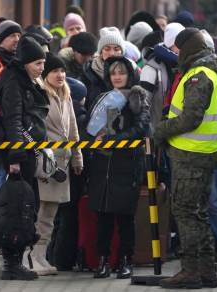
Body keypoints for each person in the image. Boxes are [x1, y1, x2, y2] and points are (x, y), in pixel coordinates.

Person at [154, 28, 217, 289]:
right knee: (199, 214)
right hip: (204, 154)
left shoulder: (199, 75)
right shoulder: (212, 70)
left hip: (191, 155)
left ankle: (190, 272)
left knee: (185, 212)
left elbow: (190, 118)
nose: (174, 53)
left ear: (189, 48)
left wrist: (161, 130)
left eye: (177, 49)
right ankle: (207, 272)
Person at [87, 55, 149, 279]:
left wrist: (116, 140)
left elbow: (142, 127)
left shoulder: (137, 97)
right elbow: (90, 126)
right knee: (102, 216)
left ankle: (126, 260)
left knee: (124, 218)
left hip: (127, 163)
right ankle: (102, 261)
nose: (117, 77)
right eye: (113, 73)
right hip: (102, 164)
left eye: (121, 72)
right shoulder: (103, 98)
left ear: (130, 74)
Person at [0, 36, 49, 280]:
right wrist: (16, 156)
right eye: (38, 63)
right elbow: (13, 119)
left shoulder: (27, 80)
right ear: (26, 62)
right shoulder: (13, 81)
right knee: (16, 210)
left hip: (28, 152)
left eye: (43, 63)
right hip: (18, 155)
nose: (42, 68)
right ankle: (12, 263)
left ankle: (16, 260)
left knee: (26, 208)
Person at [29, 53, 83, 276]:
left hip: (63, 162)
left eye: (62, 71)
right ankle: (31, 256)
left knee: (51, 214)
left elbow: (73, 131)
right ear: (45, 74)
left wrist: (77, 157)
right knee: (40, 211)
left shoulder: (66, 95)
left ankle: (41, 256)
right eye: (54, 71)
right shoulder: (40, 95)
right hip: (45, 162)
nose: (60, 75)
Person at [82, 26, 127, 110]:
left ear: (122, 52)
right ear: (101, 52)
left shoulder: (131, 71)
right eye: (107, 49)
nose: (112, 53)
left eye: (116, 49)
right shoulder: (89, 72)